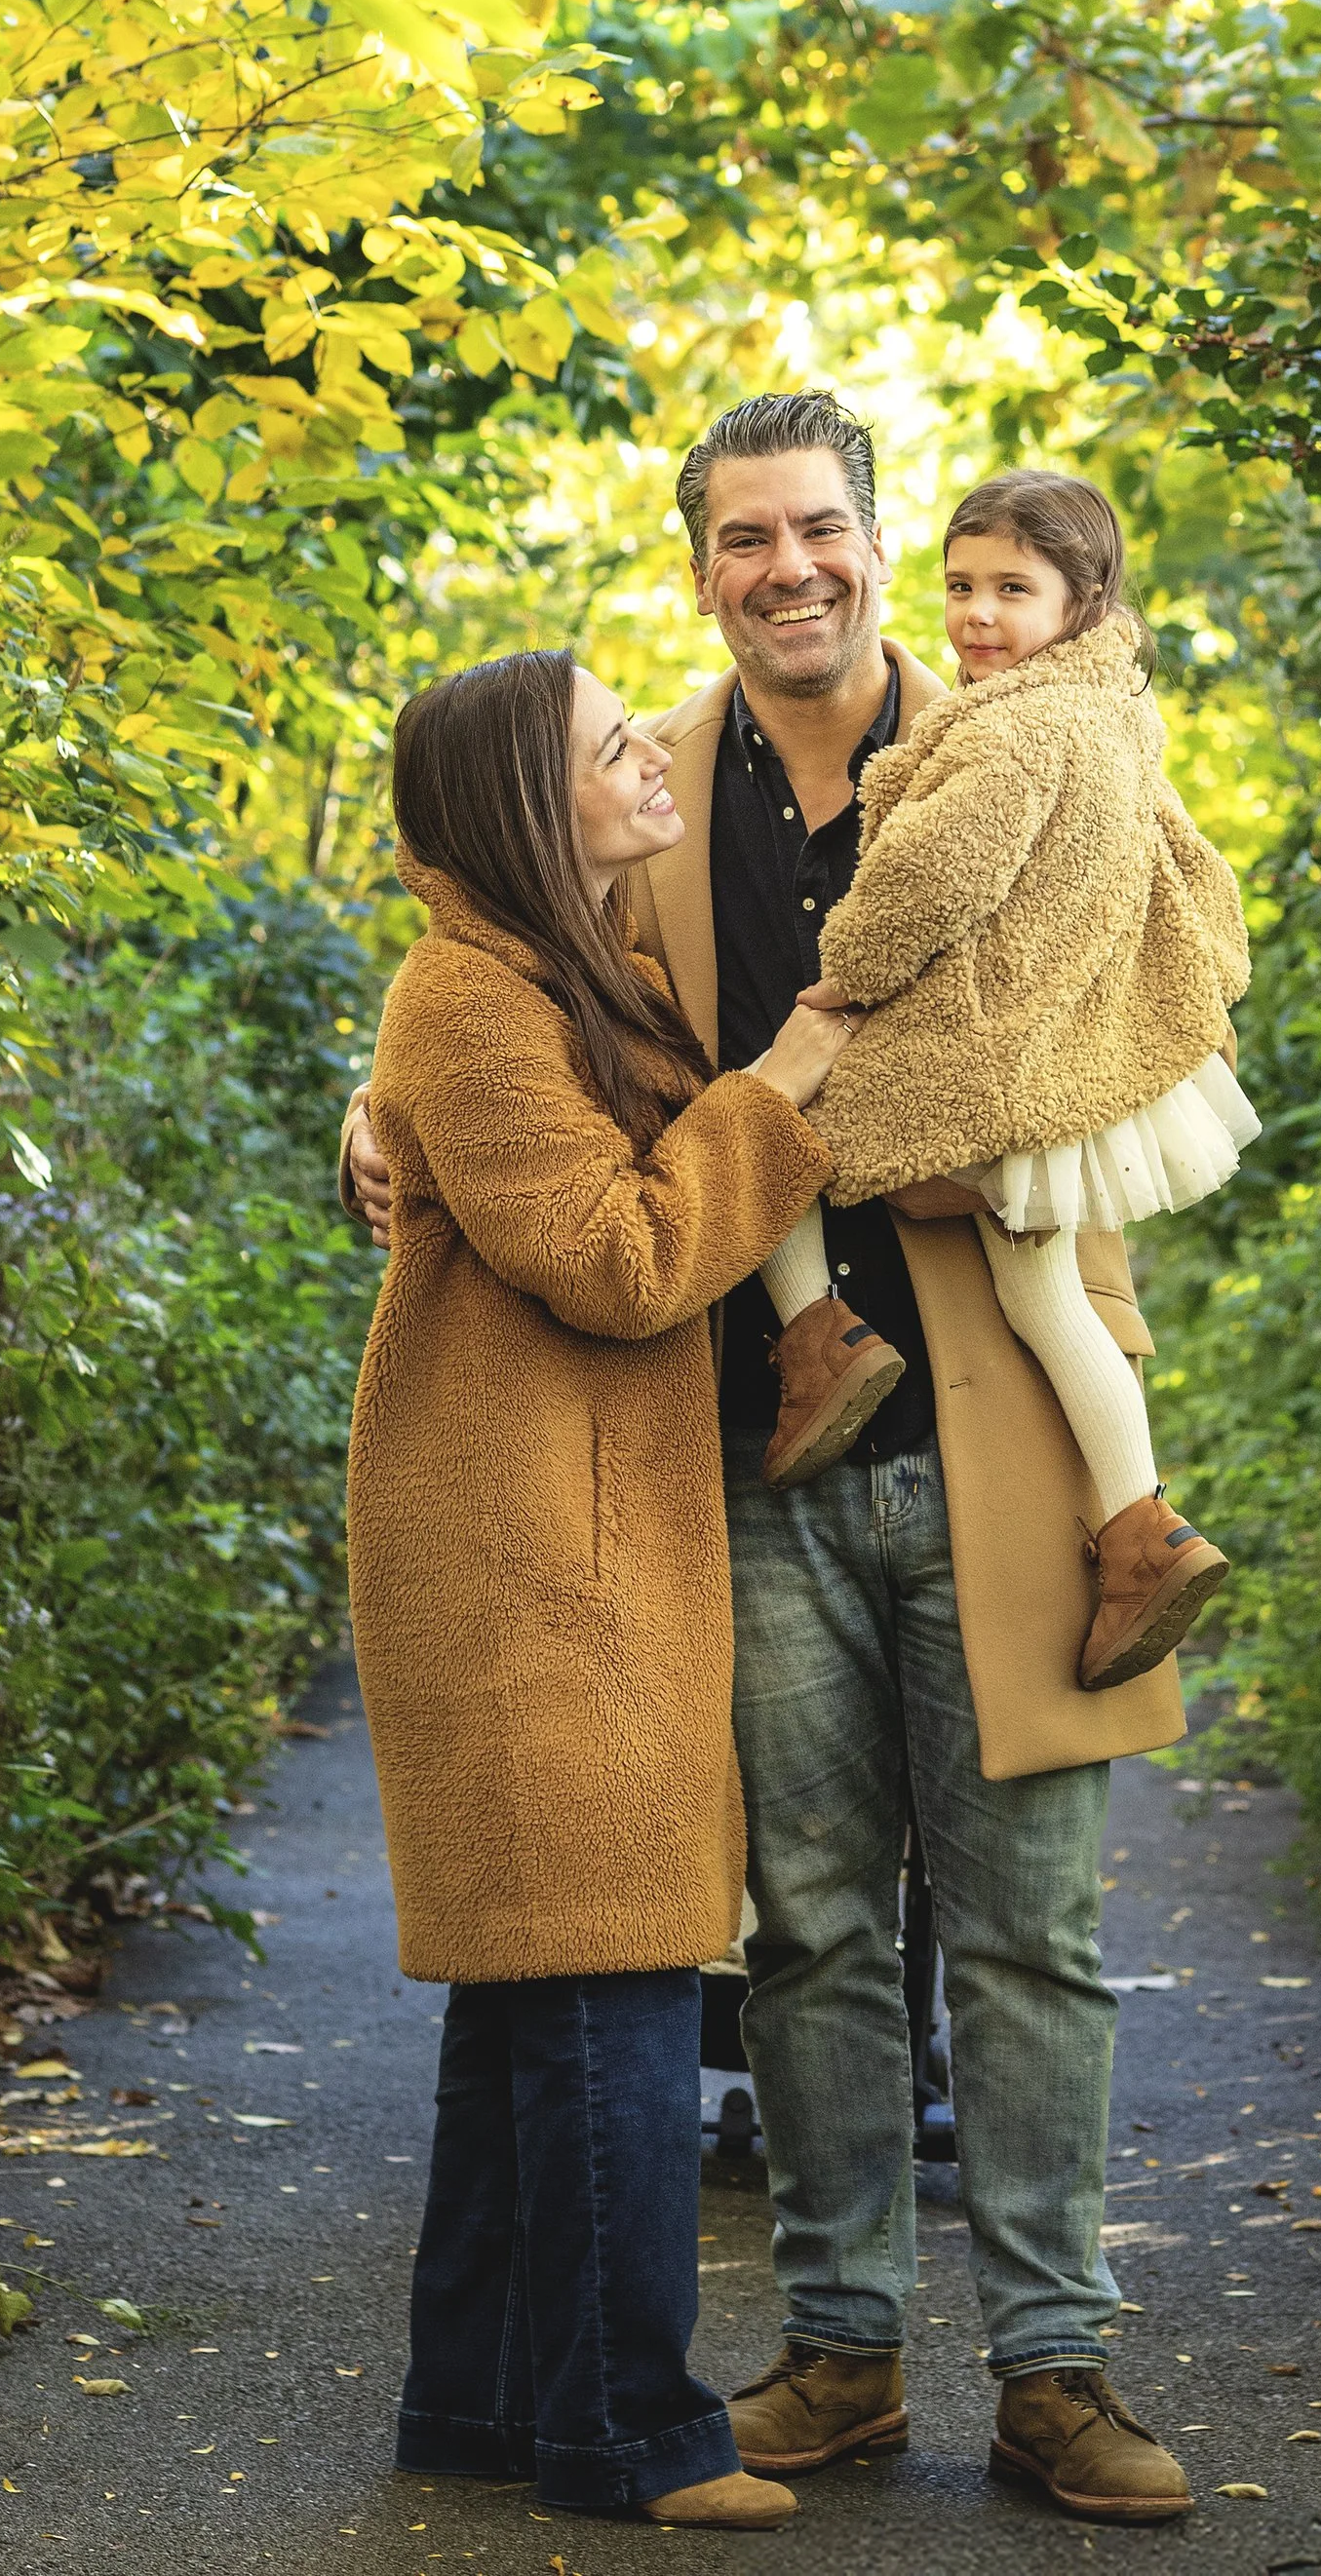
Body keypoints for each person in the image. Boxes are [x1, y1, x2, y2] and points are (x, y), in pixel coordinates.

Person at [345, 400, 1198, 2527]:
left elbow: (1178, 940)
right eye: (744, 538)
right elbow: (496, 991)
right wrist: (376, 1114)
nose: (786, 567)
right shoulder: (644, 804)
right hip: (753, 1442)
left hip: (1008, 1420)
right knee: (804, 1924)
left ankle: (1055, 2363)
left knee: (1028, 1926)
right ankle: (836, 2350)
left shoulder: (1022, 728)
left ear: (880, 545)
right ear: (698, 561)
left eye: (821, 528)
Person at [343, 646, 852, 2532]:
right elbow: (625, 1259)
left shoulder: (570, 973)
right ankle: (632, 2432)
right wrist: (784, 1086)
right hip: (524, 1557)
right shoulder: (468, 997)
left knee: (536, 1991)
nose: (650, 752)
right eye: (605, 746)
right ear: (521, 808)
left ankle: (476, 2408)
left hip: (581, 1534)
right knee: (615, 1983)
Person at [753, 470, 1258, 1692]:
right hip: (1052, 1064)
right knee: (1048, 1303)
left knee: (771, 1132)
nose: (977, 616)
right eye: (960, 587)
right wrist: (1173, 990)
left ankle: (821, 1339)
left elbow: (935, 872)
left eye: (1012, 591)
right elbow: (1196, 881)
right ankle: (1141, 1525)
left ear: (1083, 602)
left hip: (981, 1060)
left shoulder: (1018, 732)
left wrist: (846, 979)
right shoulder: (1116, 718)